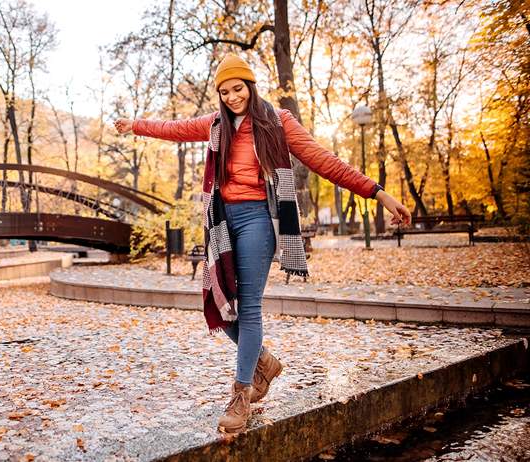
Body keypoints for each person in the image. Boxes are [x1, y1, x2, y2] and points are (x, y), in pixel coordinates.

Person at [114, 54, 412, 434]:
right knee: (218, 303)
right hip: (222, 220)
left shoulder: (278, 122)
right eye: (224, 91)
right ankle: (264, 361)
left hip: (259, 219)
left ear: (250, 86)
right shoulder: (216, 124)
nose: (232, 96)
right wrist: (136, 125)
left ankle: (241, 397)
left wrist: (378, 193)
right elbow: (175, 128)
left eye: (237, 88)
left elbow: (325, 161)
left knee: (248, 304)